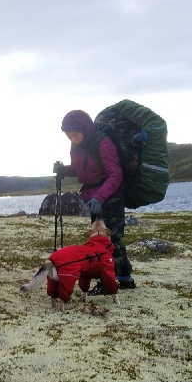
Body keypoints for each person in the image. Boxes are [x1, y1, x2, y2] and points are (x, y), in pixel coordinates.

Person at [55, 109, 135, 292]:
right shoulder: (77, 146)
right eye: (69, 136)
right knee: (104, 240)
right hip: (93, 198)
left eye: (75, 135)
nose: (73, 139)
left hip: (111, 197)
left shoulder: (103, 143)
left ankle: (108, 283)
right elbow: (80, 169)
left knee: (110, 242)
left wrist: (100, 196)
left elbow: (115, 174)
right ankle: (125, 279)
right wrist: (63, 170)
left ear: (84, 128)